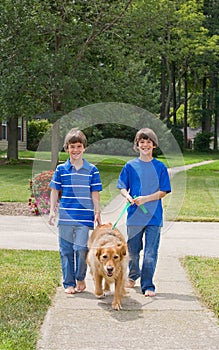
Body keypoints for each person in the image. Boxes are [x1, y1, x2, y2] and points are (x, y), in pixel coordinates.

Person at [117, 128, 171, 297]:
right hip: (134, 216)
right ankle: (133, 276)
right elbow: (122, 186)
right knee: (132, 251)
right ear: (137, 145)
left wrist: (145, 199)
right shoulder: (130, 166)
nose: (145, 145)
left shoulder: (160, 167)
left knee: (150, 253)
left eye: (148, 142)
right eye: (142, 142)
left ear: (154, 145)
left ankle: (148, 285)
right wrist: (127, 196)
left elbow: (163, 191)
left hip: (154, 217)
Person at [48, 128, 102, 294]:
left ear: (84, 147)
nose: (76, 150)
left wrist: (97, 212)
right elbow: (54, 191)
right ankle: (68, 283)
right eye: (72, 147)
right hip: (65, 216)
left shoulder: (92, 170)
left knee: (80, 249)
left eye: (79, 146)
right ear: (67, 148)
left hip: (83, 218)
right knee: (65, 250)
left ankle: (80, 277)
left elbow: (95, 193)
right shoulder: (61, 170)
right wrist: (52, 211)